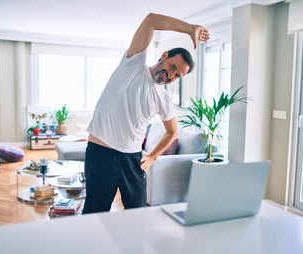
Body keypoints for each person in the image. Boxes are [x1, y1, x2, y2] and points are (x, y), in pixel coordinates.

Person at [82, 13, 210, 214]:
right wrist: (189, 28)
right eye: (173, 67)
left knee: (138, 215)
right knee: (94, 214)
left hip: (133, 160)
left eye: (178, 75)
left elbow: (172, 132)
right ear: (164, 55)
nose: (172, 76)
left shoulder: (164, 99)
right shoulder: (133, 63)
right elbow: (151, 20)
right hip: (101, 154)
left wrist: (152, 156)